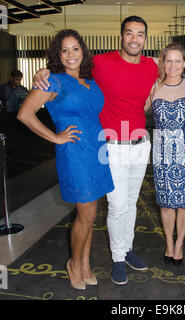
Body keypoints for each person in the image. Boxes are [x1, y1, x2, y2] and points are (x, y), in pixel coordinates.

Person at [33, 16, 158, 285]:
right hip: (110, 147)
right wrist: (42, 72)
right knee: (116, 206)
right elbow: (65, 66)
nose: (134, 38)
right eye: (129, 33)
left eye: (139, 34)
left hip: (138, 144)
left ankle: (126, 250)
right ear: (121, 36)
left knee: (130, 205)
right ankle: (116, 258)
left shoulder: (151, 66)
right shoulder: (102, 62)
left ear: (145, 38)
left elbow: (160, 86)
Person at [17, 29, 114, 290]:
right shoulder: (54, 81)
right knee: (87, 212)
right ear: (57, 55)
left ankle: (84, 264)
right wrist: (56, 137)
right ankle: (73, 262)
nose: (71, 55)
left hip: (97, 152)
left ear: (83, 51)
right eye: (64, 50)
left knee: (91, 215)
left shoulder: (90, 82)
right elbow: (25, 114)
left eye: (75, 49)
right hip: (74, 153)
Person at [145, 43, 185, 266]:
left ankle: (179, 244)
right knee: (167, 203)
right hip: (162, 152)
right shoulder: (153, 87)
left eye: (177, 61)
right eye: (168, 60)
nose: (173, 65)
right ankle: (168, 244)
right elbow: (133, 107)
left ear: (184, 63)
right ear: (162, 62)